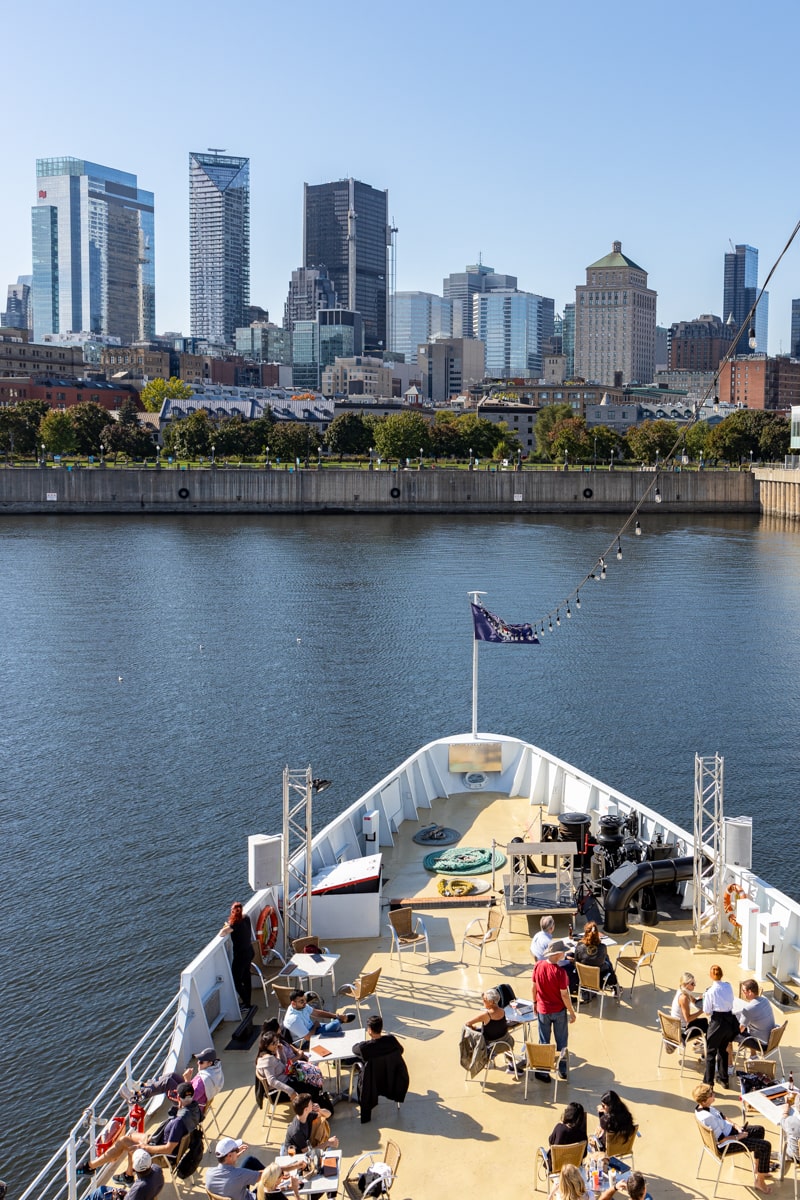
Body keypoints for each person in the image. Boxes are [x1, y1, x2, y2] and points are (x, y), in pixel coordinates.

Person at [78, 1082, 201, 1184]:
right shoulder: (194, 1109)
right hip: (167, 1142)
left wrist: (144, 1147)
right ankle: (128, 1175)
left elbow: (168, 1149)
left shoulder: (178, 1123)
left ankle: (91, 1166)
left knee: (124, 1142)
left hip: (164, 1156)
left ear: (179, 1097)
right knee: (130, 1137)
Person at [693, 1082, 775, 1194]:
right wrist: (739, 1136)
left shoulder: (703, 1107)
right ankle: (760, 1182)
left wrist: (736, 1126)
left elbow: (723, 1116)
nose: (714, 1094)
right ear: (704, 1101)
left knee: (759, 1130)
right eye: (711, 1094)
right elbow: (721, 1140)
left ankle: (758, 1169)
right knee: (765, 1146)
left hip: (732, 1132)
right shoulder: (707, 1118)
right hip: (727, 1144)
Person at [121, 1047, 224, 1112]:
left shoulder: (204, 1079)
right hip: (195, 1098)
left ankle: (136, 1097)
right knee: (171, 1076)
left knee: (167, 1083)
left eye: (201, 1062)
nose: (198, 1063)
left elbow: (188, 1100)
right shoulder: (215, 1071)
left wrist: (187, 1080)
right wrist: (188, 1082)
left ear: (210, 1063)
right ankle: (145, 1086)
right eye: (198, 1060)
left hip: (190, 1108)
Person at [353, 1015, 410, 1124]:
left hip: (372, 1083)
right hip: (390, 1079)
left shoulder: (365, 1048)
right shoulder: (391, 1040)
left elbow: (354, 1049)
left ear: (369, 1030)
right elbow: (401, 1051)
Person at [532, 941, 577, 1081]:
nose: (564, 954)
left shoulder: (538, 966)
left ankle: (543, 1071)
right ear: (558, 955)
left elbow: (533, 988)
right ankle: (562, 1070)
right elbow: (564, 994)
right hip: (558, 1011)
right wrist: (571, 1011)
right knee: (561, 1042)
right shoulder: (561, 972)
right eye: (563, 952)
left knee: (544, 1041)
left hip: (542, 1010)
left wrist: (534, 1003)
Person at [255, 1029, 330, 1107]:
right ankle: (322, 1110)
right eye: (273, 1043)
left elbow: (283, 1065)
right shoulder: (267, 1060)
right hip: (280, 1092)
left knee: (311, 1082)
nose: (276, 1044)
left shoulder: (269, 1055)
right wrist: (290, 1091)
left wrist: (281, 1051)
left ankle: (320, 1108)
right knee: (312, 1089)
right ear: (266, 1045)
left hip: (287, 1080)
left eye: (277, 1041)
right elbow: (272, 1081)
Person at [702, 964, 739, 1087]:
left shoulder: (710, 992)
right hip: (729, 1022)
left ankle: (708, 1082)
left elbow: (707, 1011)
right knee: (723, 1050)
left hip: (717, 1022)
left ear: (710, 976)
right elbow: (731, 1001)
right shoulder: (728, 986)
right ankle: (724, 1079)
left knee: (711, 1053)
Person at [282, 990, 355, 1046]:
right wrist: (315, 1026)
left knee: (337, 1030)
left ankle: (338, 1019)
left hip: (312, 1029)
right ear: (293, 1003)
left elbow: (317, 1013)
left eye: (305, 999)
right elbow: (308, 1038)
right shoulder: (294, 1019)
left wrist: (335, 1015)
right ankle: (340, 1020)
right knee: (335, 1027)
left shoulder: (301, 1006)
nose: (305, 1002)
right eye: (301, 1001)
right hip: (303, 1042)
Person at [84, 1150, 164, 1200]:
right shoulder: (157, 1169)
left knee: (100, 1192)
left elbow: (134, 1194)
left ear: (134, 1168)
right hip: (147, 1195)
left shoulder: (138, 1188)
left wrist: (116, 1197)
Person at [219, 901, 255, 1010]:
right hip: (249, 952)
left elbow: (222, 933)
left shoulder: (234, 924)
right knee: (246, 977)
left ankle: (246, 1003)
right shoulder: (246, 918)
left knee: (236, 980)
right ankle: (248, 1001)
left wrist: (228, 925)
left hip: (240, 957)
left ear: (233, 912)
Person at [573, 922, 620, 996]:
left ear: (585, 933)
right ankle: (614, 985)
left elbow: (575, 963)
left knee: (605, 960)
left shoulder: (579, 947)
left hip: (583, 980)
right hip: (599, 982)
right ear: (597, 934)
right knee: (607, 961)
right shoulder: (603, 947)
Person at [737, 980, 777, 1054]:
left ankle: (729, 1064)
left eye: (743, 990)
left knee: (729, 1033)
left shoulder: (749, 1009)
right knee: (751, 1026)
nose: (742, 992)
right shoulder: (765, 1000)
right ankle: (753, 1056)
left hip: (762, 1045)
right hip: (771, 1041)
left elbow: (740, 1030)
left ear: (750, 992)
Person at [670, 971, 708, 1046]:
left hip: (676, 1025)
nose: (695, 985)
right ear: (685, 984)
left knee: (703, 1021)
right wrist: (702, 1011)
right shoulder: (683, 998)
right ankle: (705, 1048)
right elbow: (688, 1019)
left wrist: (702, 997)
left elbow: (694, 1000)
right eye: (692, 984)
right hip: (682, 1031)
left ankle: (698, 1042)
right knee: (706, 1026)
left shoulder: (682, 990)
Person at [780, 1089, 800, 1164]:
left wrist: (785, 1111)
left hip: (796, 1156)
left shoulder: (791, 1121)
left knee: (788, 1137)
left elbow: (782, 1122)